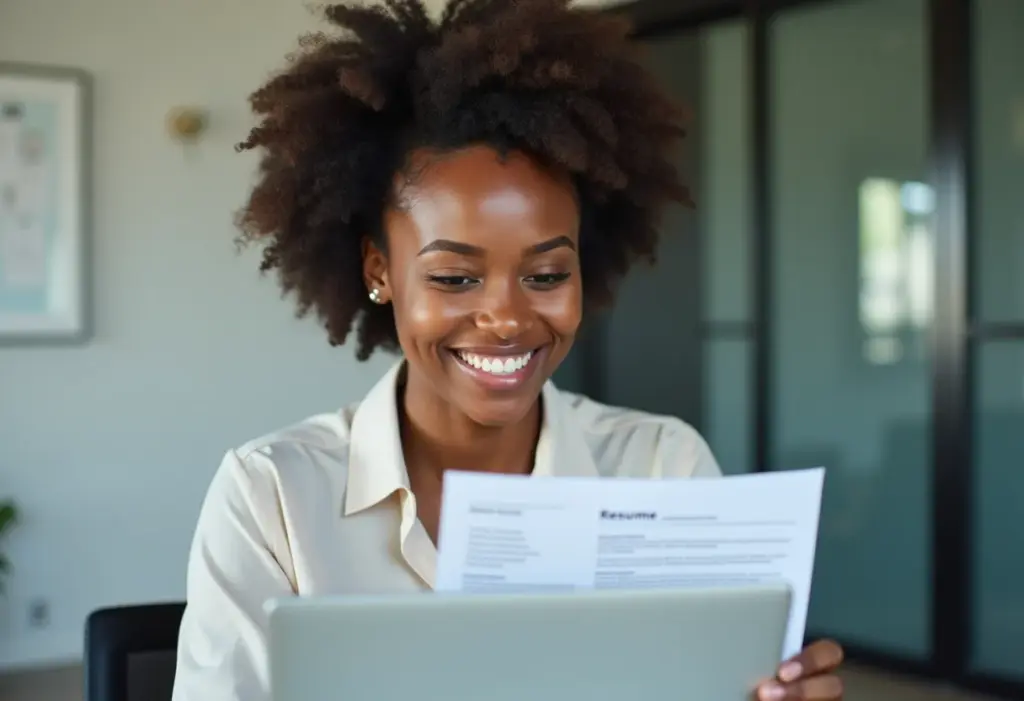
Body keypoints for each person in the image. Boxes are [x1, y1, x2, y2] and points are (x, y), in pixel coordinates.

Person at [171, 0, 844, 699]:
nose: (505, 317)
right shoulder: (272, 494)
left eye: (547, 275)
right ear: (379, 271)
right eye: (455, 277)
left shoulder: (661, 465)